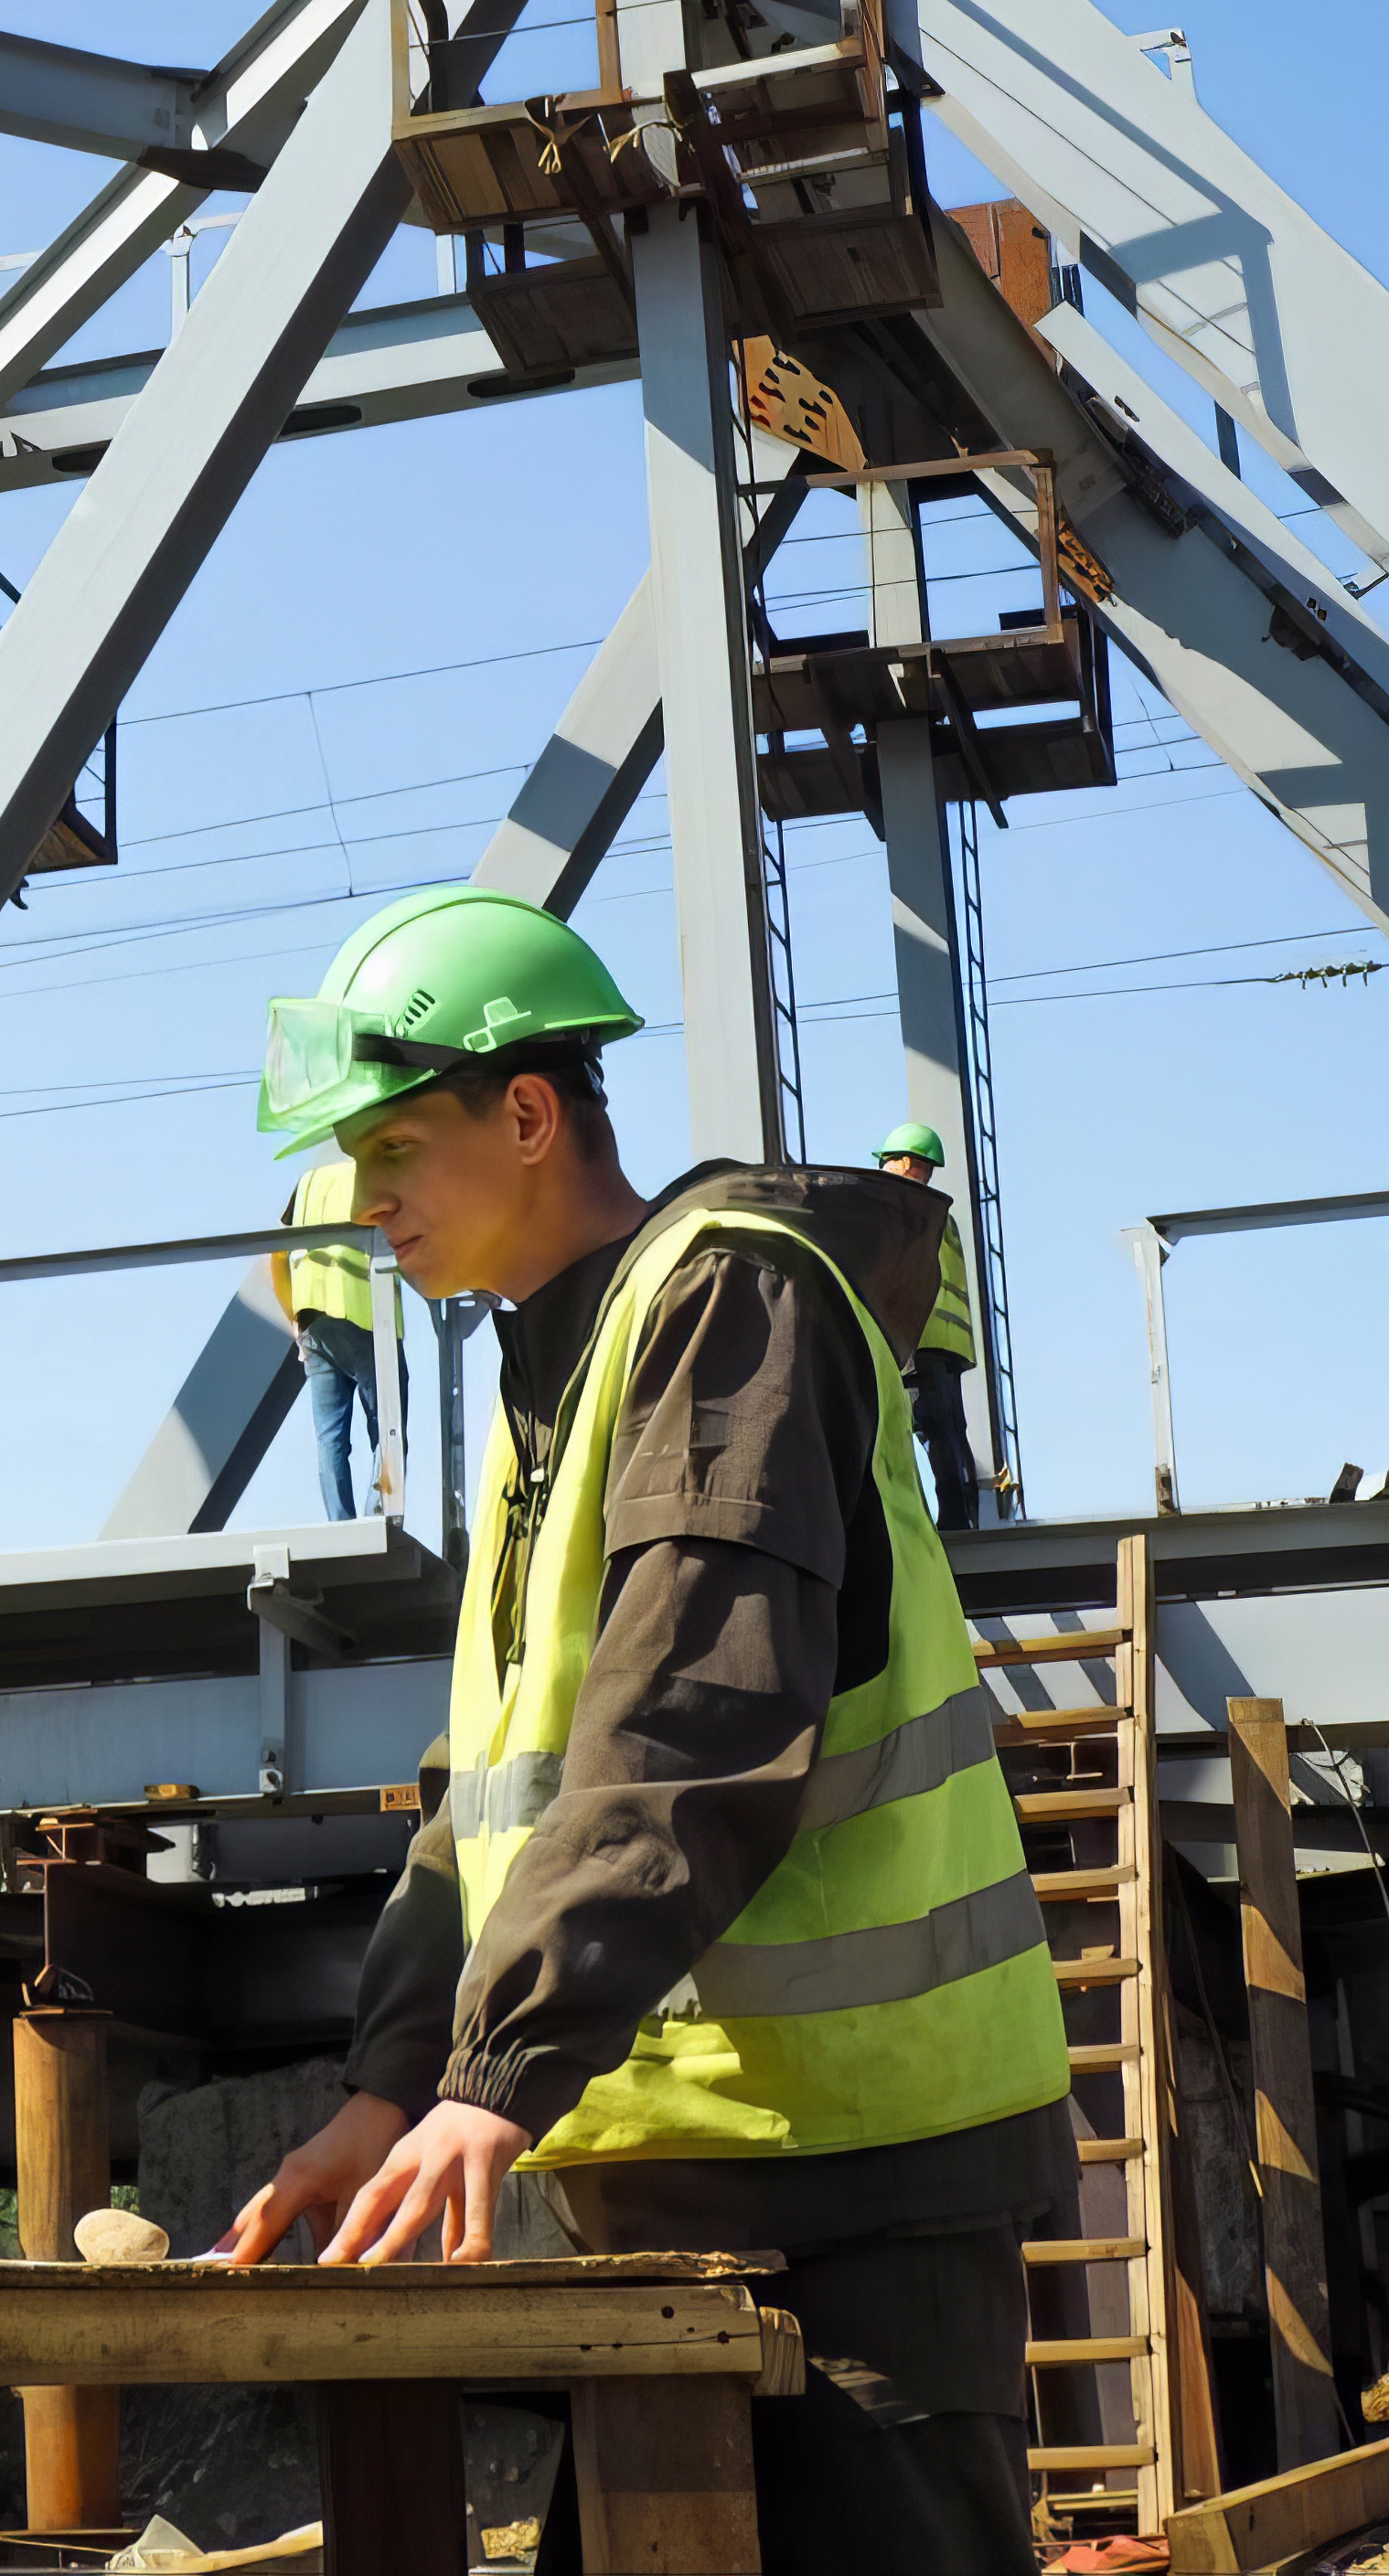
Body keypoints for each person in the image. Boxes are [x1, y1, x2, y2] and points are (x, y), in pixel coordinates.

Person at [211, 889, 1071, 2574]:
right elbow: (487, 1806)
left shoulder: (725, 1303)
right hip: (687, 2200)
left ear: (529, 1115)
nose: (362, 1202)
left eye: (393, 1149)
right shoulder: (555, 1371)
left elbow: (692, 1722)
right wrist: (394, 2081)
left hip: (851, 2186)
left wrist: (499, 2068)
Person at [272, 1151, 401, 1519]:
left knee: (330, 1439)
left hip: (314, 1321)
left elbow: (277, 1256)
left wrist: (294, 1317)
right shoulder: (371, 1172)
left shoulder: (309, 1183)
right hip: (366, 1315)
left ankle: (340, 1524)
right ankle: (382, 1513)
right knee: (388, 1426)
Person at [873, 1121, 985, 1530]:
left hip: (919, 1336)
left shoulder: (906, 1206)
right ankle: (965, 1517)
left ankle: (952, 1521)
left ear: (905, 1163)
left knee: (933, 1427)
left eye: (889, 1164)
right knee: (952, 1428)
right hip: (948, 1342)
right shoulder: (939, 1213)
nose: (884, 1172)